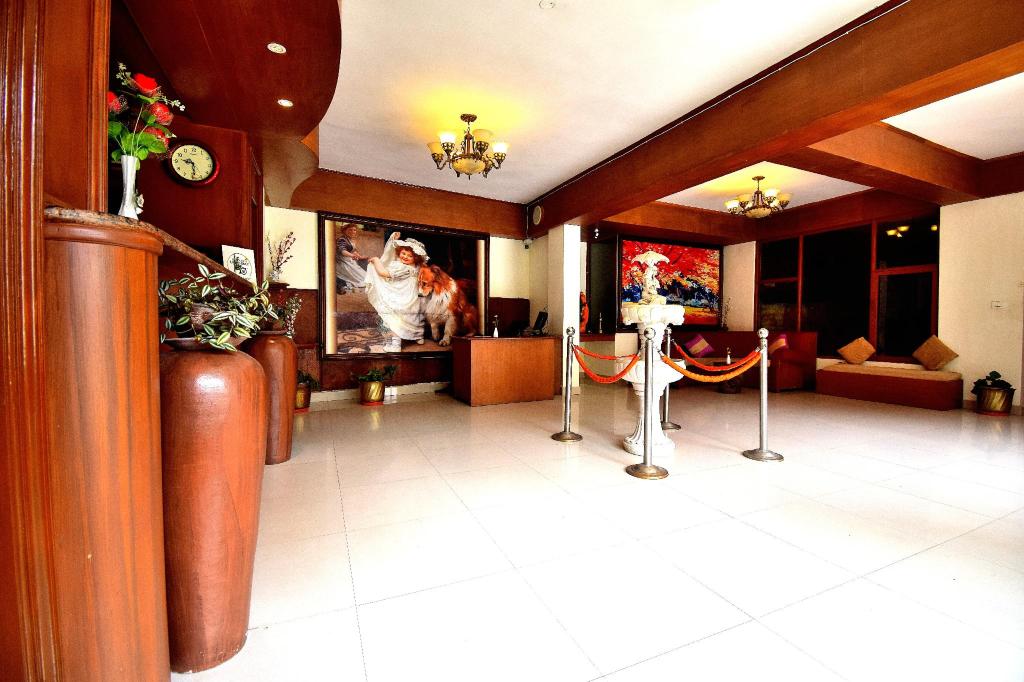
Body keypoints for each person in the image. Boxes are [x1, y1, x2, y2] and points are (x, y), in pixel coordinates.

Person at [363, 232, 428, 349]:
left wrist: (376, 260)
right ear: (399, 253)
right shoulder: (416, 267)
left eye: (410, 256)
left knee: (394, 318)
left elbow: (383, 273)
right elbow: (390, 255)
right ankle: (418, 336)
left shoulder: (402, 267)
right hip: (411, 297)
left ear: (416, 258)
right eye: (403, 253)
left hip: (401, 296)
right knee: (412, 317)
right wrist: (392, 240)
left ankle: (396, 344)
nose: (405, 257)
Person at [335, 223, 367, 292]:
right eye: (350, 230)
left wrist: (360, 256)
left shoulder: (349, 239)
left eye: (354, 230)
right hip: (342, 262)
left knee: (364, 276)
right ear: (344, 230)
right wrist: (352, 256)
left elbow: (353, 251)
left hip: (349, 261)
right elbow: (343, 251)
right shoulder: (342, 239)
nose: (352, 232)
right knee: (361, 279)